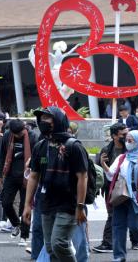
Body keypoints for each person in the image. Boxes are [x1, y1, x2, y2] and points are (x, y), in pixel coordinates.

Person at [23, 107, 88, 262]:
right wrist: (27, 205)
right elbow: (33, 176)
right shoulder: (41, 146)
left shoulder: (74, 146)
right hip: (46, 203)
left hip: (68, 204)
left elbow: (82, 177)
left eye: (47, 118)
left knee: (59, 243)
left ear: (58, 121)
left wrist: (80, 206)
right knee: (51, 247)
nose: (43, 122)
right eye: (42, 119)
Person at [103, 130, 138, 261]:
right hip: (120, 196)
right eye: (127, 140)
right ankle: (119, 256)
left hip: (135, 197)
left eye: (130, 140)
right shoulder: (122, 158)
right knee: (118, 226)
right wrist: (103, 164)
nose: (127, 142)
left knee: (135, 225)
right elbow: (111, 175)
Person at [92, 123, 138, 253]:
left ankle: (136, 241)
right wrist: (97, 188)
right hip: (112, 189)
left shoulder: (132, 148)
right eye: (123, 134)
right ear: (114, 136)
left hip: (131, 187)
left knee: (133, 213)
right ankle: (108, 243)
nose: (126, 137)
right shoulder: (106, 150)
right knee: (112, 214)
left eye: (127, 134)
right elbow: (98, 171)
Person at [0, 119, 38, 245]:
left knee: (25, 207)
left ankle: (24, 236)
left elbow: (37, 157)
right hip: (10, 175)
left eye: (22, 133)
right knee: (5, 202)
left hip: (27, 176)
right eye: (17, 134)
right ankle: (16, 224)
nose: (20, 135)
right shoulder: (7, 136)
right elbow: (2, 155)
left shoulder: (33, 137)